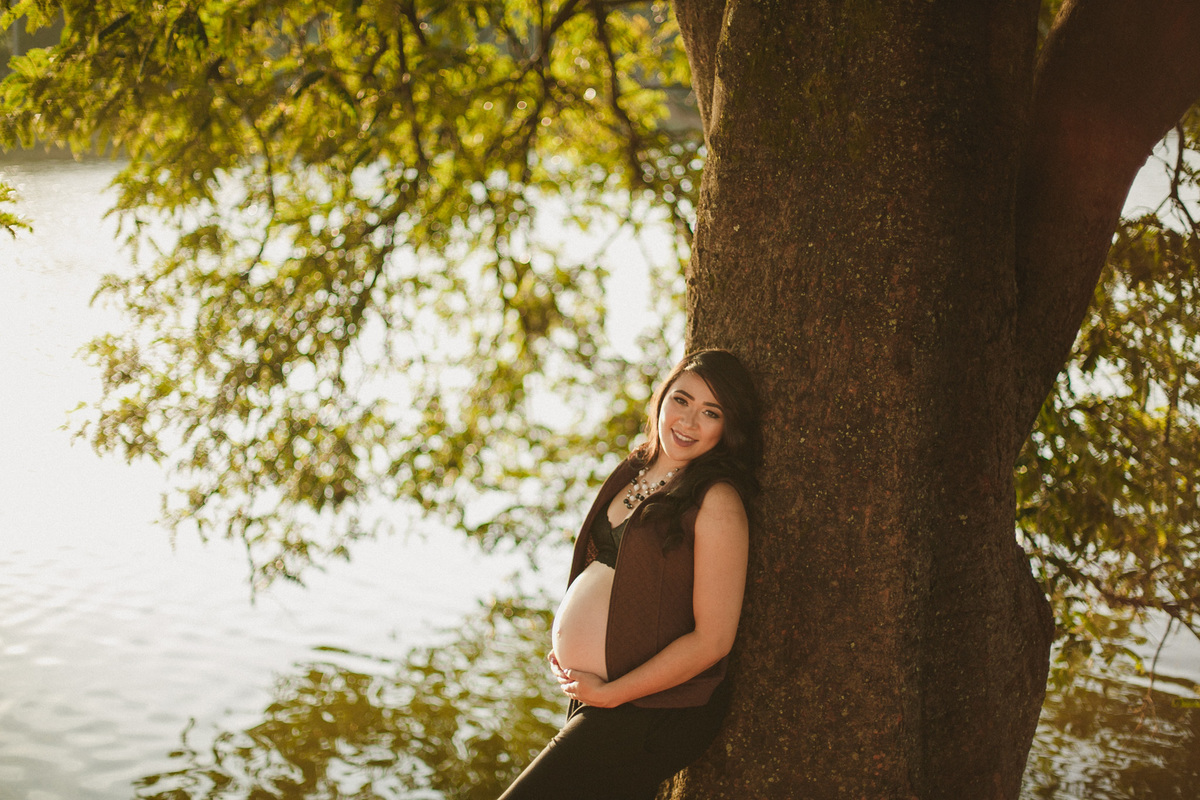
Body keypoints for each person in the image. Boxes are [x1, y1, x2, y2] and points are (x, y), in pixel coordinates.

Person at [498, 348, 762, 800]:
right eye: (681, 400)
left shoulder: (716, 499)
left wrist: (614, 693)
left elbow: (713, 640)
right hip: (604, 697)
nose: (688, 421)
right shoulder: (635, 468)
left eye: (710, 412)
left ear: (728, 427)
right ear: (662, 398)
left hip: (655, 708)